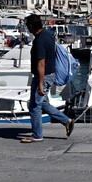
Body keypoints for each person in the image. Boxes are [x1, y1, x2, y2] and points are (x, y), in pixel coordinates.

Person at [21, 14, 74, 143]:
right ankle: (66, 121)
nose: (27, 28)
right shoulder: (47, 35)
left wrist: (40, 84)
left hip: (43, 76)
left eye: (27, 25)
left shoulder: (39, 41)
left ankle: (37, 135)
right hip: (50, 74)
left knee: (34, 106)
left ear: (32, 26)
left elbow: (41, 63)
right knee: (43, 103)